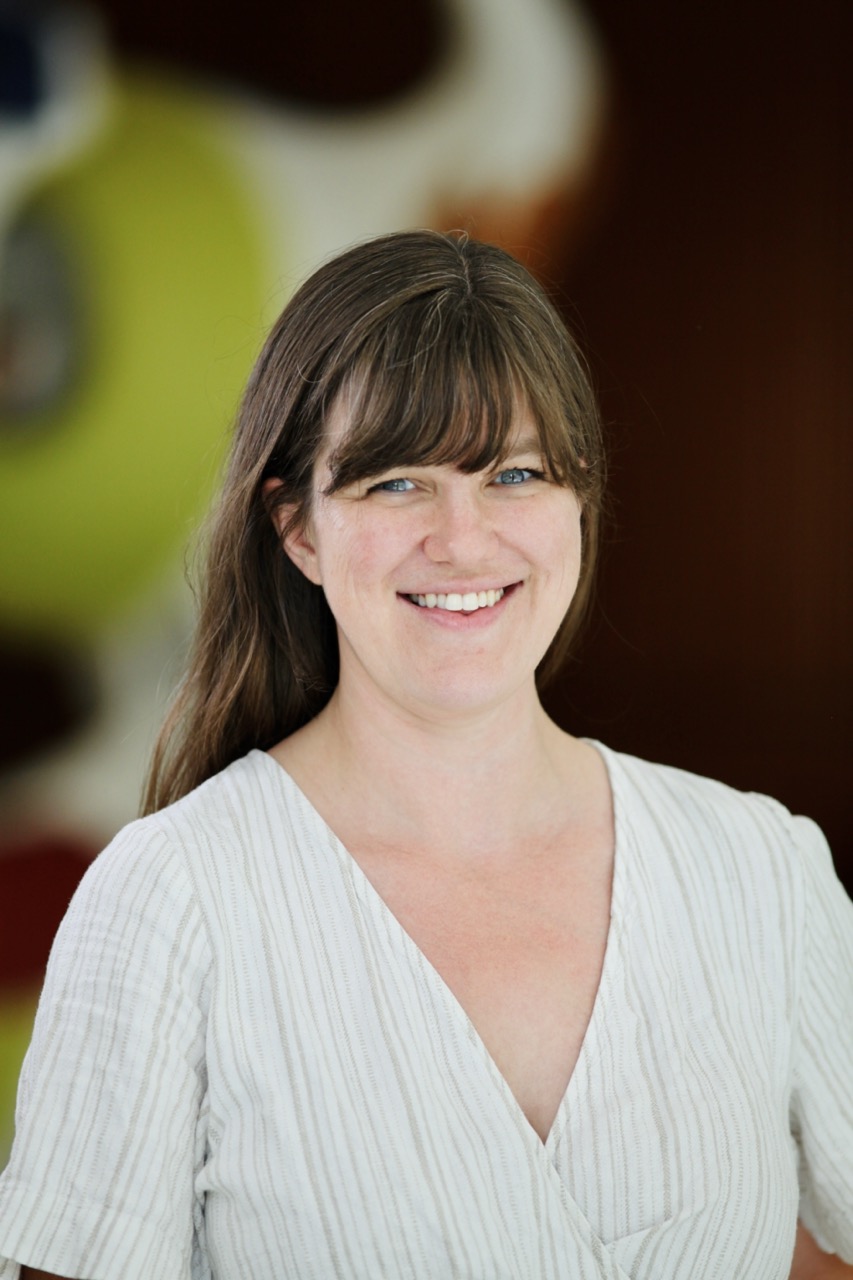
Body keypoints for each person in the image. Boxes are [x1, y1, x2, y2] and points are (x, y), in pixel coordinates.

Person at [0, 230, 850, 1280]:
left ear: (579, 501)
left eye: (516, 472)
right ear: (297, 528)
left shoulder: (760, 869)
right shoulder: (171, 897)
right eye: (396, 482)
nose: (462, 536)